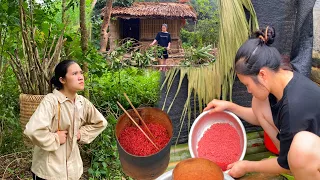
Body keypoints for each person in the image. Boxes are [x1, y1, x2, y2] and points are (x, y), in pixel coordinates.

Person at [204, 27, 320, 180]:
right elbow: (259, 115)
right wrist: (229, 106)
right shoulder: (281, 78)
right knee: (258, 103)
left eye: (247, 85)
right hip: (306, 149)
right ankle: (291, 161)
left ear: (262, 74)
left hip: (309, 155)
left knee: (301, 150)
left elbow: (284, 164)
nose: (248, 90)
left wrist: (247, 166)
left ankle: (298, 167)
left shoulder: (293, 107)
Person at [24, 60, 108, 180]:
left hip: (73, 170)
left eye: (81, 73)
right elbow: (32, 130)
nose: (80, 77)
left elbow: (100, 123)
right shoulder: (51, 101)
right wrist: (55, 138)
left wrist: (81, 134)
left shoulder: (82, 102)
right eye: (74, 74)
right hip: (49, 171)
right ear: (62, 80)